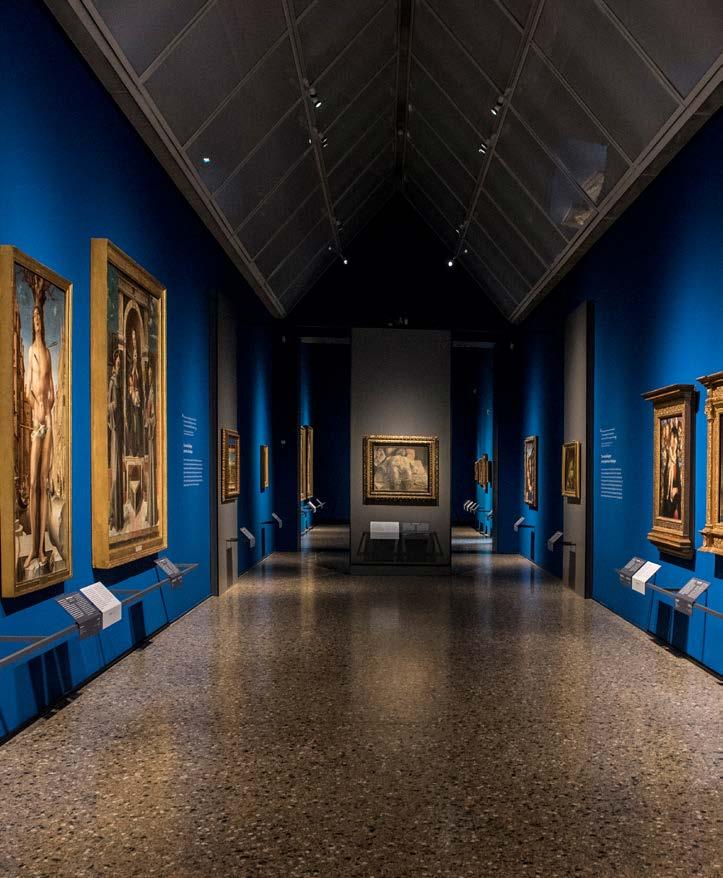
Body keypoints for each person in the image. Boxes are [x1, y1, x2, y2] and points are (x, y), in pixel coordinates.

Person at [24, 303, 54, 570]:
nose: (37, 320)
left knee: (43, 483)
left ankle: (42, 549)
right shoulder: (31, 351)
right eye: (33, 316)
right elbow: (26, 390)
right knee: (33, 482)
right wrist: (36, 404)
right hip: (36, 422)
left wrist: (48, 404)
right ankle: (33, 549)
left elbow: (52, 390)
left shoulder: (47, 352)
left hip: (48, 422)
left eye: (39, 316)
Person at [108, 349, 124, 532]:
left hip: (119, 428)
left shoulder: (119, 381)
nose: (119, 366)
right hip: (115, 430)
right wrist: (114, 406)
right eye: (118, 363)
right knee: (116, 475)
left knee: (119, 473)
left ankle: (118, 517)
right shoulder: (113, 381)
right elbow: (108, 404)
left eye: (121, 363)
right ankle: (113, 516)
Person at [126, 328, 144, 457]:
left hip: (137, 406)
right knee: (133, 426)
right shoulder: (131, 370)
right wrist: (132, 392)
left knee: (138, 426)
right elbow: (130, 382)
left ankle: (138, 449)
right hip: (131, 406)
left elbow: (138, 383)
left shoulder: (137, 371)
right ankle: (132, 449)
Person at [144, 360, 157, 526]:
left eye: (150, 374)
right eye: (147, 375)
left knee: (152, 472)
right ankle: (150, 513)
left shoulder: (153, 392)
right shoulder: (149, 392)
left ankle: (152, 514)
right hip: (149, 437)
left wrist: (149, 421)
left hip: (152, 437)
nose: (148, 377)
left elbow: (154, 416)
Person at [661, 423, 681, 519]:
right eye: (672, 439)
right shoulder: (668, 454)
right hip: (668, 489)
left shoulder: (677, 456)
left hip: (675, 487)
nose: (673, 442)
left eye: (674, 439)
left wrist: (676, 486)